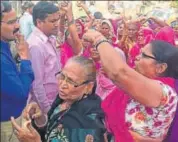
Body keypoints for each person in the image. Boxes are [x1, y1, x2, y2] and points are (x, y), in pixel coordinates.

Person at [83, 30, 178, 142]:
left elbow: (118, 73)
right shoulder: (143, 83)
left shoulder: (164, 91)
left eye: (144, 55)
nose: (137, 57)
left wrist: (98, 38)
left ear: (161, 68)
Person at [11, 56, 106, 142]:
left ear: (88, 87)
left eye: (71, 81)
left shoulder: (87, 124)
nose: (62, 85)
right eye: (62, 76)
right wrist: (40, 118)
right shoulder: (64, 98)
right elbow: (51, 129)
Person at [1, 1, 34, 142]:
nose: (17, 26)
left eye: (17, 20)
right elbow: (20, 94)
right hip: (7, 122)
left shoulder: (5, 45)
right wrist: (25, 58)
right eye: (11, 22)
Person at [27, 1, 61, 114]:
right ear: (39, 22)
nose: (57, 24)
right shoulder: (36, 46)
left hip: (54, 100)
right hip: (44, 107)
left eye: (57, 19)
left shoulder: (50, 38)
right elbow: (36, 84)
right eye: (52, 21)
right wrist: (47, 110)